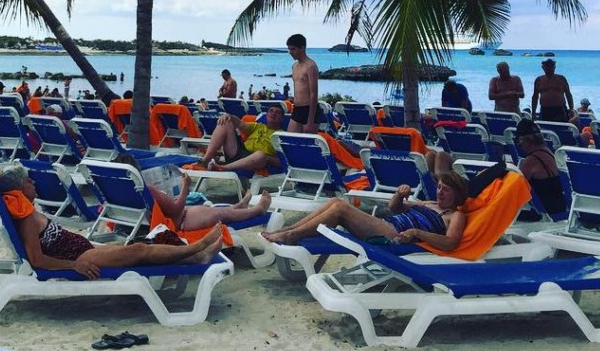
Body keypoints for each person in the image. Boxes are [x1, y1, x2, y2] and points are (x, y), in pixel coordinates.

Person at [0, 168, 224, 278]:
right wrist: (73, 266)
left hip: (83, 250)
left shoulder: (27, 211)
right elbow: (36, 259)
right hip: (79, 259)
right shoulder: (26, 218)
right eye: (28, 181)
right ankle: (196, 248)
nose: (33, 182)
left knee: (135, 250)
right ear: (18, 190)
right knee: (139, 250)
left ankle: (196, 257)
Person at [264, 172, 469, 250]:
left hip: (394, 235)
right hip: (391, 224)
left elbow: (450, 243)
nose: (440, 192)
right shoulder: (429, 204)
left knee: (340, 208)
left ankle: (291, 235)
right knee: (336, 200)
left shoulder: (455, 215)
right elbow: (394, 208)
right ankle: (289, 229)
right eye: (439, 187)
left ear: (457, 195)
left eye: (446, 190)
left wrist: (417, 233)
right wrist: (399, 194)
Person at [146, 170, 273, 230]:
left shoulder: (132, 191)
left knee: (213, 210)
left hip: (178, 221)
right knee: (220, 213)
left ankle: (240, 205)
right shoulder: (148, 189)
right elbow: (175, 210)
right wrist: (185, 186)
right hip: (180, 224)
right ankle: (258, 210)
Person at [197, 104, 285, 172]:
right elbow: (239, 123)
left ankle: (223, 168)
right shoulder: (258, 126)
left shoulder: (282, 136)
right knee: (226, 122)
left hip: (257, 161)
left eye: (277, 112)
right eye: (271, 111)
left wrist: (267, 158)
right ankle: (205, 160)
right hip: (240, 152)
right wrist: (229, 117)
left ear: (281, 118)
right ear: (267, 114)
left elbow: (283, 161)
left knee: (260, 155)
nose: (273, 113)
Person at [514, 118, 566, 214]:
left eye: (520, 143)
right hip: (559, 204)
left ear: (525, 141)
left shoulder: (531, 161)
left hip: (545, 209)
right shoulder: (547, 151)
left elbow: (515, 188)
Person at [286, 33, 321, 133]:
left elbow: (314, 94)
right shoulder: (294, 66)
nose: (290, 52)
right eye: (289, 49)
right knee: (290, 140)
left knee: (307, 144)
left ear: (302, 48)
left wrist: (310, 121)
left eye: (293, 49)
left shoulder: (311, 66)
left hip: (309, 109)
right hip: (297, 108)